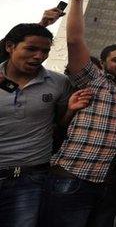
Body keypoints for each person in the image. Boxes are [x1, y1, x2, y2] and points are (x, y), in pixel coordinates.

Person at [42, 0, 116, 227]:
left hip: (115, 182)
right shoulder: (92, 80)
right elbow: (74, 40)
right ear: (104, 64)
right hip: (75, 177)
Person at [0, 23, 80, 227]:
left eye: (45, 51)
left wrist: (70, 110)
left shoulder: (59, 83)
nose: (38, 56)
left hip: (30, 179)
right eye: (31, 49)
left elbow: (59, 124)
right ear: (10, 46)